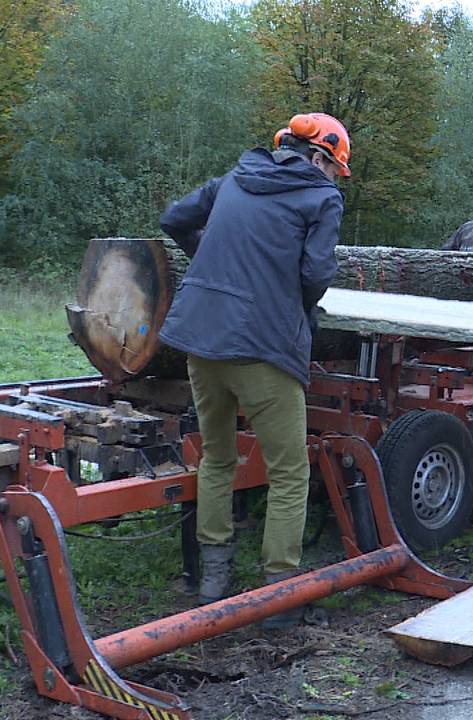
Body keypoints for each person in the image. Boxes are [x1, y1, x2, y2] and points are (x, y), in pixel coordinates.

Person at [158, 112, 350, 627]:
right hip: (262, 346)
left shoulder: (233, 180)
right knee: (289, 472)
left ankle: (213, 580)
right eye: (335, 169)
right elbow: (315, 274)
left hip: (200, 340)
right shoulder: (321, 197)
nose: (334, 180)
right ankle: (279, 598)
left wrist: (215, 267)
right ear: (318, 158)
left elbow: (173, 219)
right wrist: (285, 300)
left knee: (218, 459)